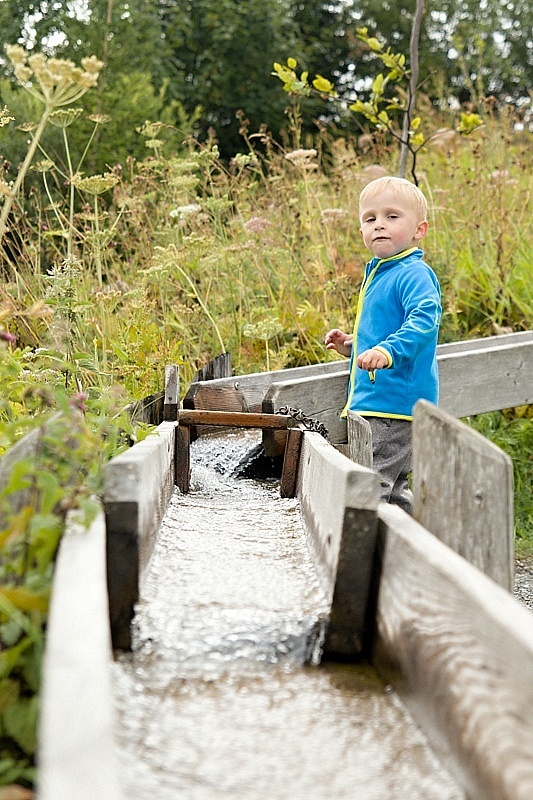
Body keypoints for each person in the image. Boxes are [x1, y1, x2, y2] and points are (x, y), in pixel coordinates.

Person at [325, 176, 441, 513]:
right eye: (370, 218)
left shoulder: (412, 273)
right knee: (393, 492)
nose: (379, 225)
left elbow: (424, 323)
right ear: (361, 229)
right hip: (378, 402)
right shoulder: (382, 272)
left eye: (392, 217)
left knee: (371, 490)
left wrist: (386, 352)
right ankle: (408, 551)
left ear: (419, 230)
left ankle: (369, 561)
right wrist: (354, 346)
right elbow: (382, 333)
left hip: (392, 407)